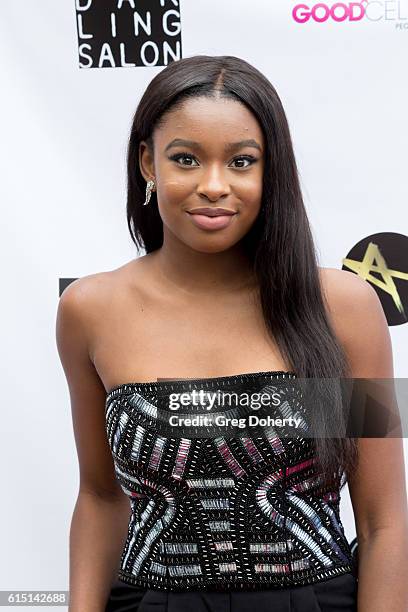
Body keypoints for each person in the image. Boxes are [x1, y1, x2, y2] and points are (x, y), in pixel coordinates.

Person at [56, 55, 408, 611]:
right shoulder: (90, 309)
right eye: (186, 159)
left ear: (271, 170)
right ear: (149, 163)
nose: (213, 185)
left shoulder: (345, 307)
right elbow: (99, 497)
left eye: (241, 161)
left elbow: (384, 520)